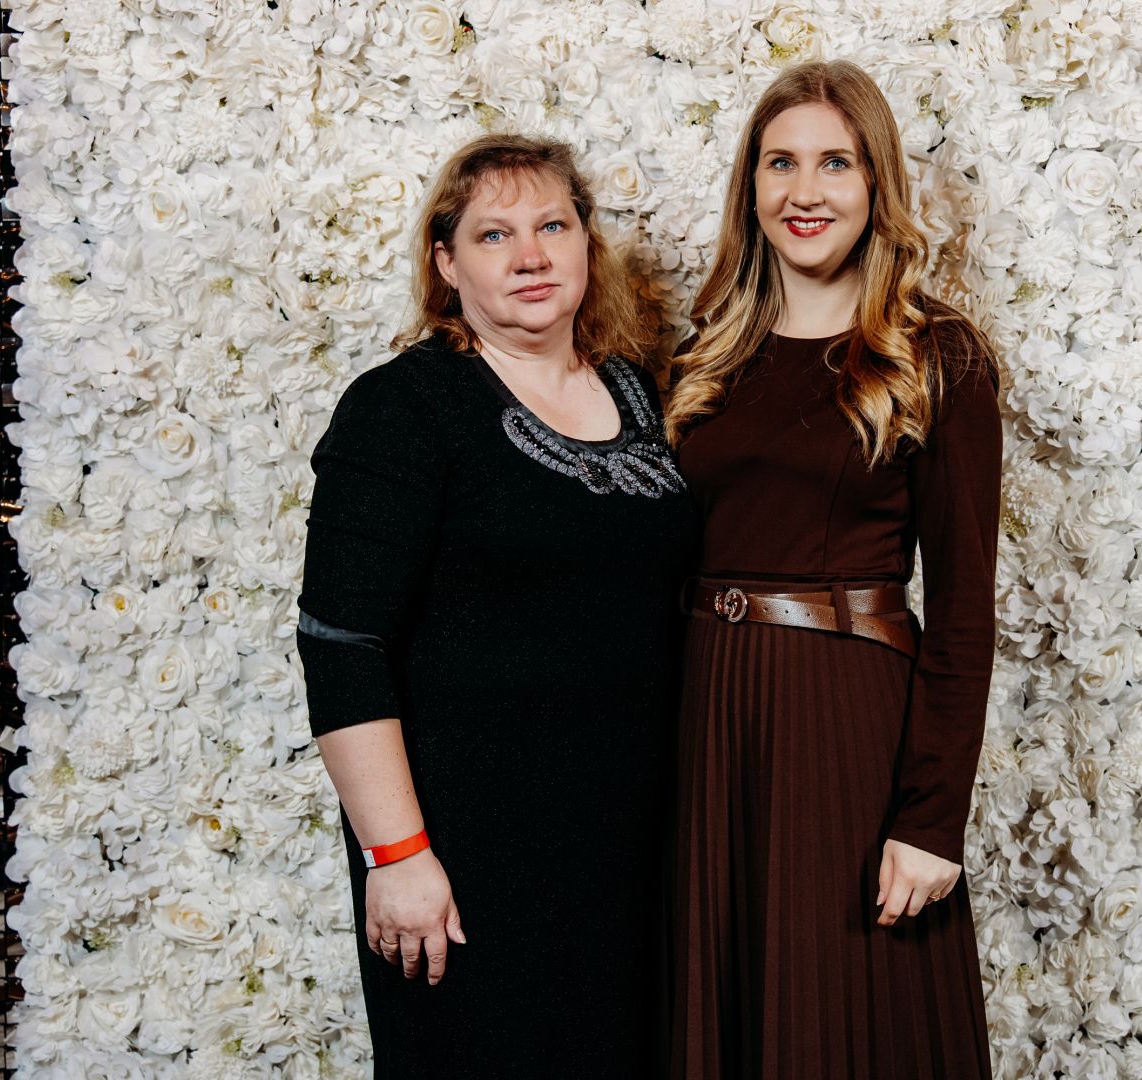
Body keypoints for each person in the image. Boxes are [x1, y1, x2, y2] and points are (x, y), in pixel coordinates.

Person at [296, 133, 695, 1079]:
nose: (530, 256)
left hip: (628, 847)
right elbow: (341, 641)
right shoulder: (404, 408)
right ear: (446, 263)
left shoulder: (636, 389)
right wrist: (397, 856)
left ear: (587, 242)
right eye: (493, 235)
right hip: (467, 859)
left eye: (552, 226)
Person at [666, 61, 1002, 1079]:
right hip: (709, 723)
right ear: (750, 184)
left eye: (834, 164)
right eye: (780, 163)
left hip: (846, 725)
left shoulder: (935, 355)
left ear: (876, 182)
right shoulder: (701, 357)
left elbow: (964, 612)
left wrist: (932, 821)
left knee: (841, 1019)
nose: (803, 192)